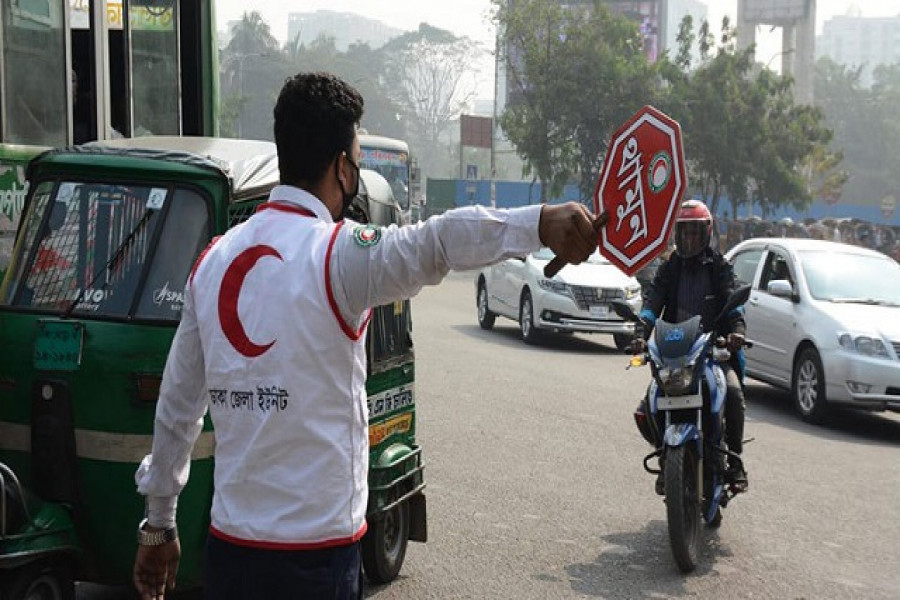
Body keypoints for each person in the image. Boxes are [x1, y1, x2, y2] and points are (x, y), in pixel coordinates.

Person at [131, 71, 601, 600]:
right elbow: (438, 242)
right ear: (343, 168)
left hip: (230, 554)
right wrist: (537, 222)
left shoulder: (212, 261)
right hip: (317, 561)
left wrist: (159, 524)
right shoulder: (340, 256)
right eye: (356, 158)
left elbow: (177, 410)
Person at [631, 199, 748, 495]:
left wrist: (736, 332)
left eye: (695, 233)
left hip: (711, 351)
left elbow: (733, 301)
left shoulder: (719, 267)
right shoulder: (670, 267)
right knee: (649, 404)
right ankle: (664, 452)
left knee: (732, 393)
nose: (689, 239)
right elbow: (653, 300)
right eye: (684, 233)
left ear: (706, 233)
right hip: (676, 353)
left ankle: (734, 463)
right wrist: (641, 328)